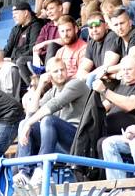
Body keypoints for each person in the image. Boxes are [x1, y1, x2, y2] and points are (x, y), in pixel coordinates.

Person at [15, 57, 89, 185]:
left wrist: (29, 123)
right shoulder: (52, 91)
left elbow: (55, 104)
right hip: (58, 141)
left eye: (62, 70)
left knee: (48, 120)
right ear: (49, 74)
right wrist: (40, 86)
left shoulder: (76, 84)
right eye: (55, 71)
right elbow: (31, 112)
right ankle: (24, 173)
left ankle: (43, 170)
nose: (60, 73)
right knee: (24, 123)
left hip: (78, 139)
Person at [76, 13, 121, 87]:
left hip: (116, 84)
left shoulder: (112, 36)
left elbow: (106, 67)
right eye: (91, 27)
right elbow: (82, 70)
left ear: (106, 25)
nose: (94, 30)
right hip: (101, 83)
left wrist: (89, 76)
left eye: (97, 26)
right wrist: (89, 76)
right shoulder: (91, 43)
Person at [3, 2, 44, 84]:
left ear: (25, 13)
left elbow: (33, 49)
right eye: (13, 14)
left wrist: (12, 59)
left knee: (20, 61)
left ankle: (34, 87)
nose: (13, 16)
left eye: (16, 13)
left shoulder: (36, 26)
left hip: (32, 60)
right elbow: (7, 48)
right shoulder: (15, 29)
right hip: (14, 60)